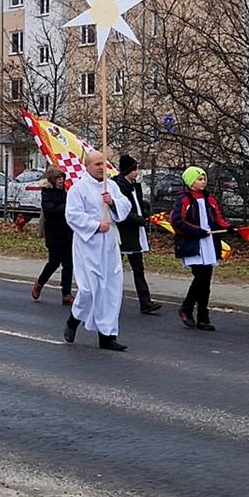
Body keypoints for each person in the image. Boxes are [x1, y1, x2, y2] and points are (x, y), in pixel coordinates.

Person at [63, 150, 131, 351]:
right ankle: (74, 319)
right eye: (97, 164)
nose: (102, 167)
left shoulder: (111, 186)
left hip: (109, 243)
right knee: (89, 289)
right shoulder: (78, 189)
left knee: (110, 288)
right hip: (89, 244)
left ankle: (107, 334)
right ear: (88, 166)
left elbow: (125, 205)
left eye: (104, 163)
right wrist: (94, 225)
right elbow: (73, 215)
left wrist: (113, 203)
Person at [171, 166, 229, 331]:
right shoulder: (184, 200)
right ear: (191, 182)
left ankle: (203, 317)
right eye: (199, 179)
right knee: (201, 278)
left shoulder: (209, 199)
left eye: (204, 179)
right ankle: (187, 308)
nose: (203, 182)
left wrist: (228, 227)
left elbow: (218, 218)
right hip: (193, 244)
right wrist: (196, 231)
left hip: (209, 244)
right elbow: (177, 221)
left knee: (206, 282)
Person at [115, 154, 162, 314]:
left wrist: (145, 212)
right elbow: (122, 212)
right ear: (127, 171)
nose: (137, 172)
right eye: (134, 169)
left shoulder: (134, 186)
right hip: (124, 233)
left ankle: (145, 302)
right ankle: (109, 298)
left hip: (135, 232)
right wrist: (139, 219)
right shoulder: (119, 187)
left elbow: (138, 204)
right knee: (115, 268)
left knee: (138, 268)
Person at [32, 167, 75, 305]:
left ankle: (66, 293)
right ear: (52, 180)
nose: (61, 181)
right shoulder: (47, 193)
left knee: (68, 264)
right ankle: (40, 283)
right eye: (58, 178)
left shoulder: (64, 192)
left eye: (62, 178)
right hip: (54, 234)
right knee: (54, 263)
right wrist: (66, 207)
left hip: (67, 233)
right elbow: (50, 211)